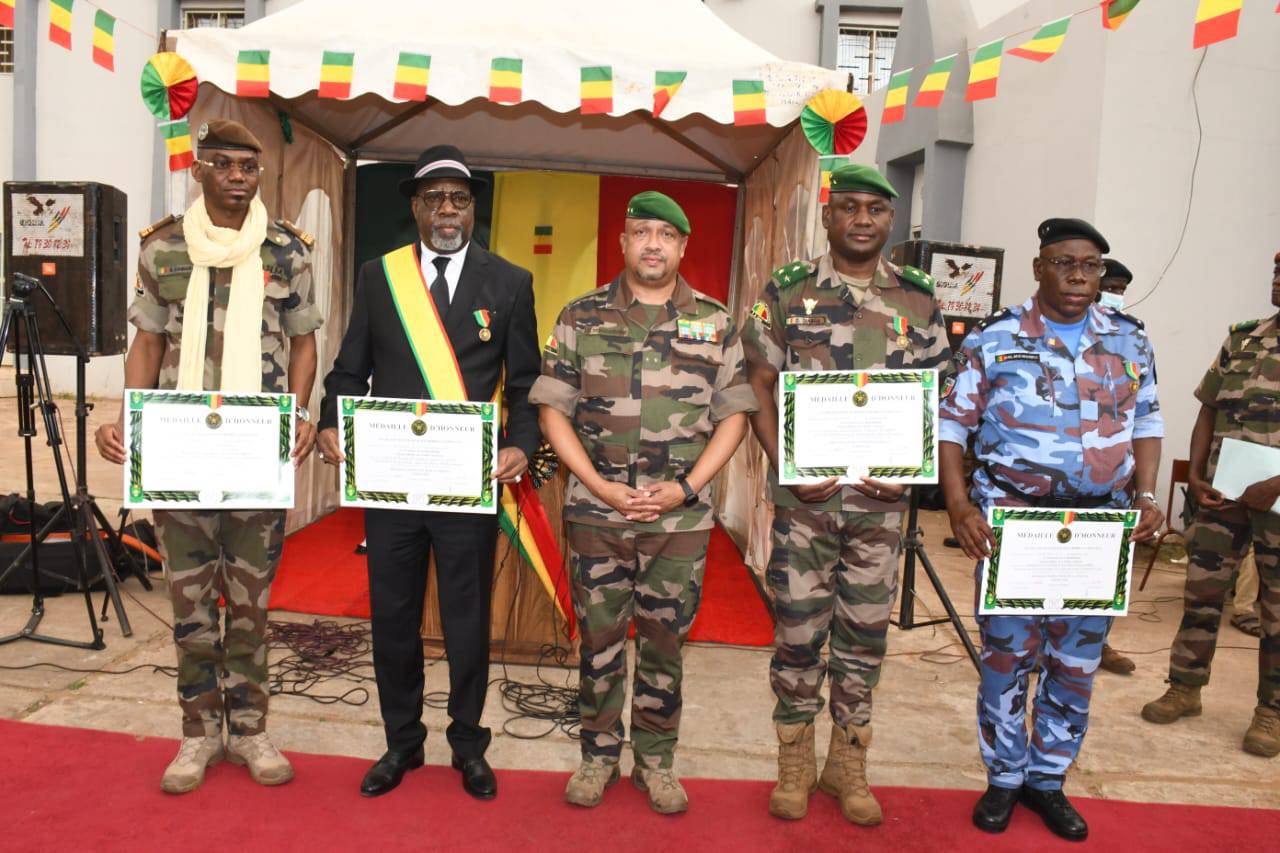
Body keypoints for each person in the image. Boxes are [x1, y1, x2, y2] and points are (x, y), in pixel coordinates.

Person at [94, 119, 322, 793]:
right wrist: (130, 418)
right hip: (180, 450)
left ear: (259, 174)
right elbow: (148, 344)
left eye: (248, 166)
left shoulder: (285, 251)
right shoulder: (164, 249)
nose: (236, 175)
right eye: (221, 163)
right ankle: (198, 734)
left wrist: (302, 412)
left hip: (256, 452)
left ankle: (250, 729)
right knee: (191, 605)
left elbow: (305, 342)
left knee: (250, 606)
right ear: (199, 171)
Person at [317, 145, 541, 799]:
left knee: (468, 619)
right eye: (435, 197)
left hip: (466, 481)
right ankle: (401, 742)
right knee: (391, 614)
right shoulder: (378, 276)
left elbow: (525, 385)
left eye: (460, 198)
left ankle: (468, 744)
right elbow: (347, 368)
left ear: (473, 209)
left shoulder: (509, 283)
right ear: (415, 207)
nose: (448, 209)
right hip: (391, 479)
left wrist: (521, 442)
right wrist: (332, 419)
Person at [939, 218, 1164, 841]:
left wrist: (1145, 492)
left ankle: (1048, 780)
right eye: (1064, 263)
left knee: (1075, 663)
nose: (1078, 276)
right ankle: (1004, 778)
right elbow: (953, 425)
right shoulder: (996, 337)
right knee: (1006, 658)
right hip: (1015, 524)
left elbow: (1146, 420)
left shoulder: (1128, 339)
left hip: (1097, 529)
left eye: (1089, 265)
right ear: (1039, 268)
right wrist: (959, 507)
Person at [531, 192, 756, 815]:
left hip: (679, 520)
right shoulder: (582, 316)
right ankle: (598, 756)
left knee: (665, 642)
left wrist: (686, 489)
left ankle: (656, 762)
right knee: (599, 642)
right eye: (640, 233)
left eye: (665, 234)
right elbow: (553, 410)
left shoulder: (715, 322)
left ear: (684, 246)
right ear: (623, 243)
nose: (652, 244)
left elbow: (733, 419)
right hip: (597, 513)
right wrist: (600, 487)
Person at [742, 164, 953, 825]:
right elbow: (757, 387)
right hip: (807, 505)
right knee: (799, 631)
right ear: (829, 217)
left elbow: (941, 399)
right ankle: (795, 760)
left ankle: (849, 761)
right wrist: (788, 464)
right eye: (851, 208)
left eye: (876, 210)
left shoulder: (919, 297)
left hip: (882, 509)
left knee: (865, 635)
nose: (863, 219)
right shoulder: (788, 288)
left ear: (891, 221)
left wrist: (913, 470)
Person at [1141, 251, 1280, 759]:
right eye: (1275, 271)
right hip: (1224, 495)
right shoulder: (1243, 338)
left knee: (1276, 610)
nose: (1278, 280)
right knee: (1201, 595)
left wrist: (1277, 484)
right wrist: (1197, 475)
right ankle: (1185, 686)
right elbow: (1208, 410)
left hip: (1279, 502)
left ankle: (1272, 712)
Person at [1095, 257, 1138, 675]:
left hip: (1113, 478)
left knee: (1107, 568)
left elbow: (1144, 412)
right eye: (1112, 286)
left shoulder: (1131, 338)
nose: (1116, 295)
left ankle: (1100, 641)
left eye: (1123, 289)